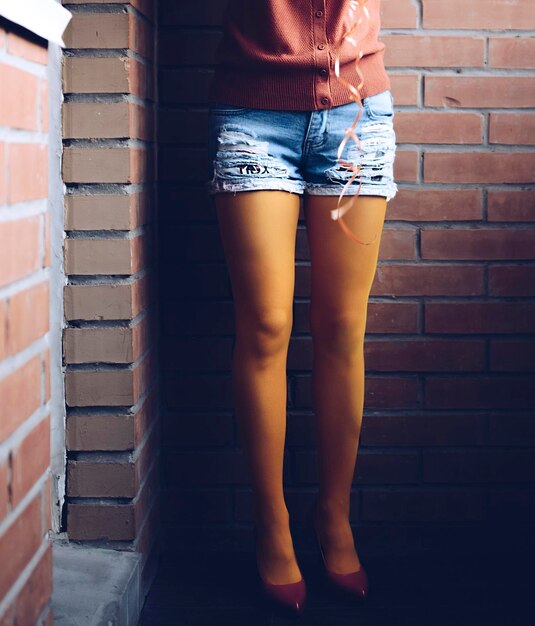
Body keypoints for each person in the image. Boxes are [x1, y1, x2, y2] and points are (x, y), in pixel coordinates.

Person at [205, 0, 397, 617]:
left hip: (356, 111)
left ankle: (334, 519)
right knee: (265, 325)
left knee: (342, 327)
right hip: (253, 109)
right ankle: (273, 526)